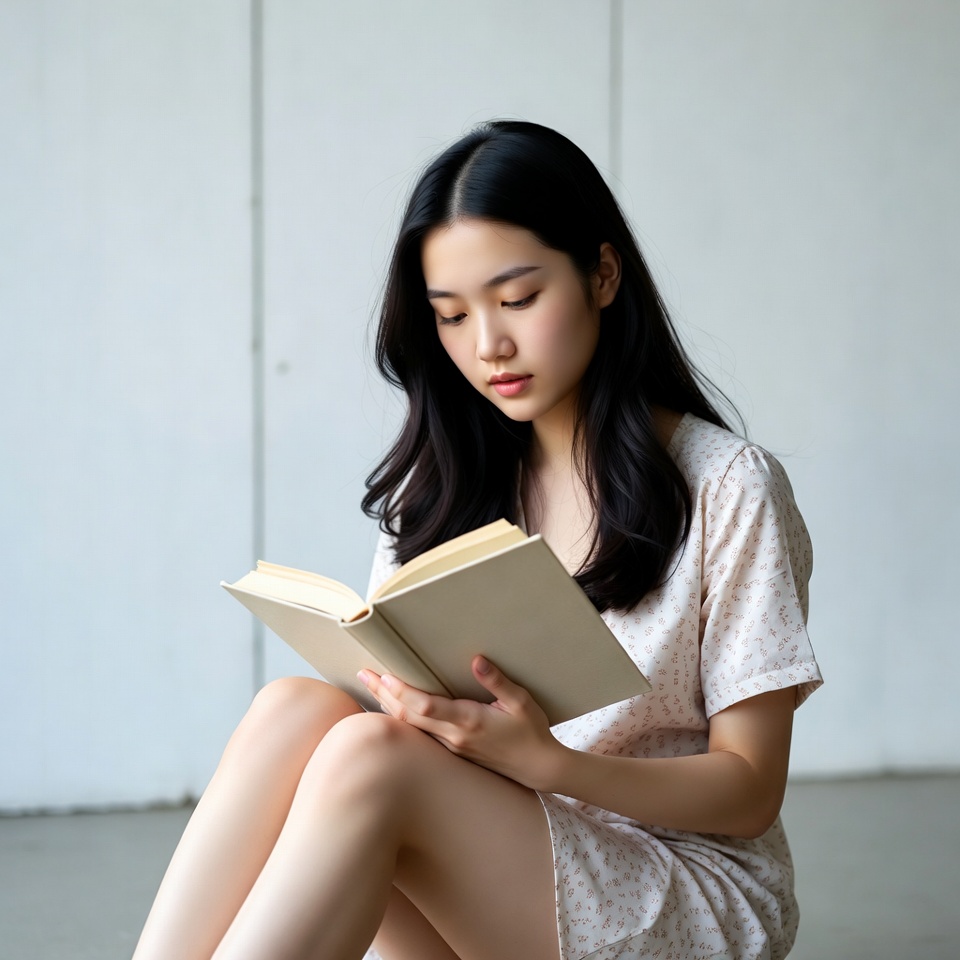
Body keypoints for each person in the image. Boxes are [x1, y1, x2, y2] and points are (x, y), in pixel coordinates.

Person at [132, 120, 822, 960]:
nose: (488, 345)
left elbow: (749, 791)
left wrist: (546, 763)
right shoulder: (449, 487)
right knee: (297, 709)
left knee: (369, 757)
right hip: (498, 859)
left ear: (602, 276)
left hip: (680, 888)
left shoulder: (726, 485)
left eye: (518, 300)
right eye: (452, 317)